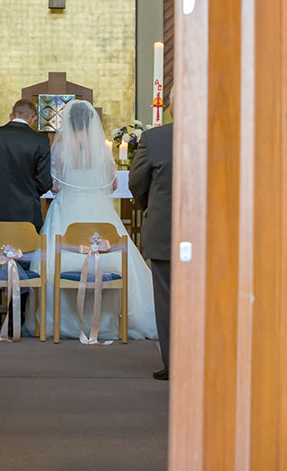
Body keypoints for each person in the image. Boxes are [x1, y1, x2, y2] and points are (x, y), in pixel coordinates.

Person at [24, 99, 157, 341]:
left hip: (67, 209)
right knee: (114, 258)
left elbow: (54, 185)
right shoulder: (101, 148)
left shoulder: (61, 148)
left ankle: (62, 321)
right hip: (99, 211)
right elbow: (113, 183)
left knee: (55, 261)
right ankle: (110, 320)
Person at [0, 99, 52, 333]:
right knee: (24, 267)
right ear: (33, 118)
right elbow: (44, 182)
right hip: (26, 215)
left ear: (11, 115)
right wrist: (29, 190)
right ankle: (15, 321)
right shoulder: (39, 140)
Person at [128, 87, 174, 380]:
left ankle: (174, 364)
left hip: (165, 231)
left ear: (170, 106)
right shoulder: (224, 135)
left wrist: (150, 207)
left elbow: (136, 182)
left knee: (167, 300)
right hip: (212, 235)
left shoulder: (155, 139)